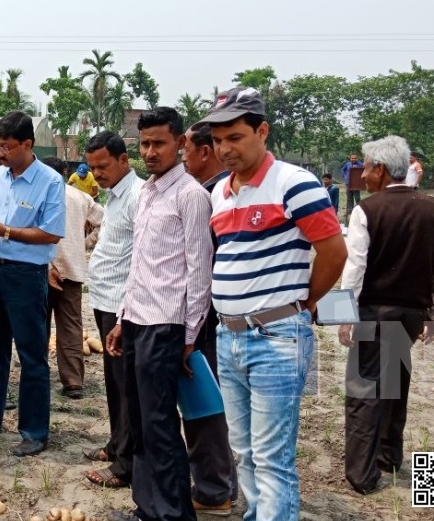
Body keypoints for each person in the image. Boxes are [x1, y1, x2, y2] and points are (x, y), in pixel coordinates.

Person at [202, 86, 348, 520]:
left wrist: (304, 302)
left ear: (261, 131)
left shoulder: (294, 183)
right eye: (218, 140)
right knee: (242, 451)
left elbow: (334, 252)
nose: (225, 148)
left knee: (271, 457)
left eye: (235, 137)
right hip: (229, 336)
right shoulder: (219, 194)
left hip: (277, 336)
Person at [104, 108, 212, 521]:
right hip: (137, 321)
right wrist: (122, 317)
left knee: (161, 424)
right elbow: (140, 264)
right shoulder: (148, 191)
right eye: (144, 143)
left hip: (167, 325)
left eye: (158, 143)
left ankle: (172, 513)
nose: (149, 152)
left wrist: (189, 337)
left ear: (181, 143)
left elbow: (199, 271)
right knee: (141, 422)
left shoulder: (191, 196)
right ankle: (146, 507)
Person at [337, 135, 434, 494]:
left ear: (381, 170)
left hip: (373, 313)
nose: (362, 176)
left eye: (366, 169)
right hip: (410, 316)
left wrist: (342, 316)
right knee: (394, 386)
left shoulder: (366, 210)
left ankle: (362, 474)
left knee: (363, 391)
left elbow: (354, 268)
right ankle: (389, 455)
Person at [0, 111, 65, 457]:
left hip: (26, 276)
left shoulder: (49, 181)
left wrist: (5, 231)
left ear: (27, 144)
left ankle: (34, 430)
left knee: (32, 355)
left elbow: (51, 232)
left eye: (5, 146)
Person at [180, 122, 239, 514]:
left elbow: (199, 267)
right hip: (404, 318)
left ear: (205, 152)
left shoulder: (205, 198)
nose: (183, 156)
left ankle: (214, 489)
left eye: (185, 148)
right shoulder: (222, 194)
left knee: (204, 406)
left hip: (207, 319)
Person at [80, 130, 144, 490]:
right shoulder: (113, 196)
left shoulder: (138, 196)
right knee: (114, 383)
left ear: (123, 160)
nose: (97, 173)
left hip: (124, 306)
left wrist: (124, 313)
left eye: (103, 166)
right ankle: (116, 444)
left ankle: (126, 464)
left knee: (126, 386)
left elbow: (142, 259)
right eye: (92, 167)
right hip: (105, 300)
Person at [43, 155, 102, 399]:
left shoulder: (40, 195)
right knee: (70, 326)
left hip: (43, 270)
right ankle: (73, 381)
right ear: (66, 171)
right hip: (72, 269)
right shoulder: (80, 197)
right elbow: (103, 221)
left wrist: (48, 265)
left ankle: (37, 374)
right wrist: (85, 244)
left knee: (39, 325)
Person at [342, 153, 363, 223]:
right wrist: (345, 177)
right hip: (348, 183)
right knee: (349, 197)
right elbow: (343, 170)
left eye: (355, 158)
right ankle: (349, 211)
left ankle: (359, 209)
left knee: (357, 197)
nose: (353, 159)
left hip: (356, 184)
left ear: (357, 158)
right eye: (352, 158)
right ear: (350, 158)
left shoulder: (361, 164)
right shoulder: (347, 164)